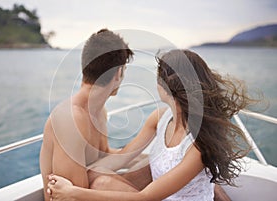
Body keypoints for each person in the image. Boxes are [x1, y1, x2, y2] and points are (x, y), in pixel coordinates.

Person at [47, 49, 252, 200]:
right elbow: (126, 155)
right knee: (98, 178)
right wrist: (85, 174)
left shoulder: (198, 144)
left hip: (153, 197)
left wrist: (72, 192)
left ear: (168, 86)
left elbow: (145, 197)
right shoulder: (160, 119)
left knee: (102, 183)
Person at [39, 28, 135, 201]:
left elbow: (104, 155)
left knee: (147, 169)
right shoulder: (70, 119)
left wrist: (144, 156)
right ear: (119, 73)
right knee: (103, 183)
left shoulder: (98, 111)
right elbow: (72, 196)